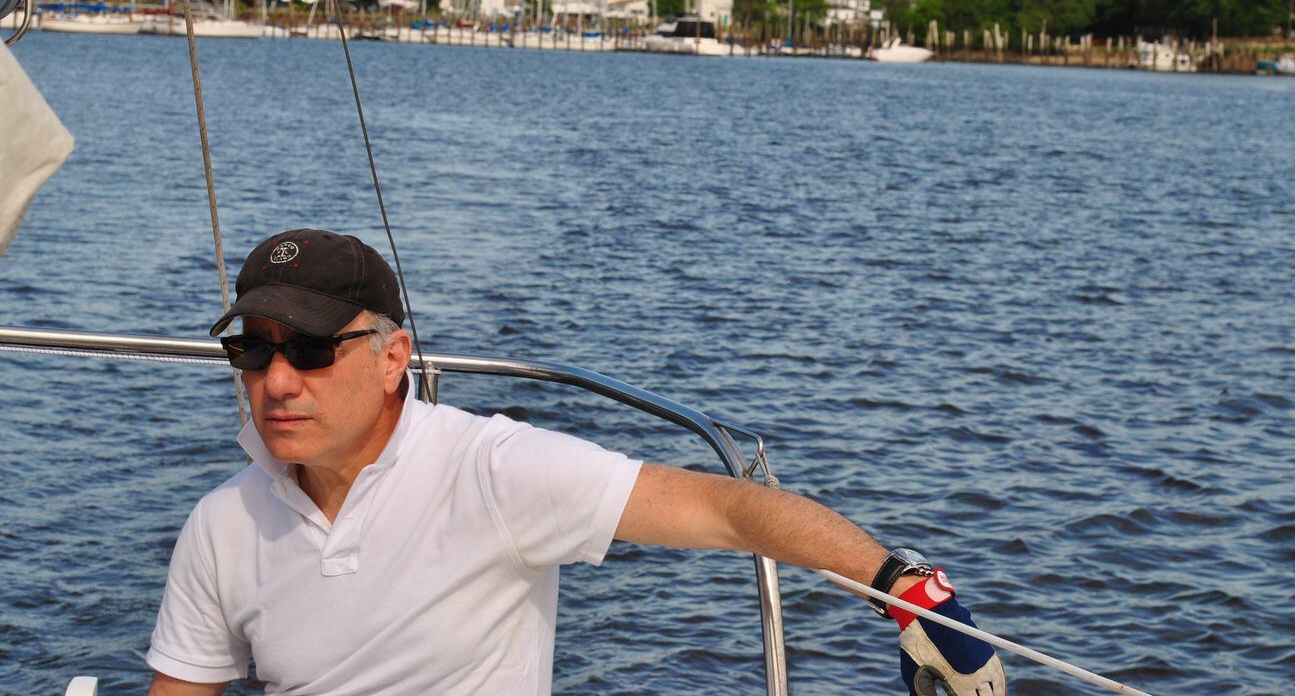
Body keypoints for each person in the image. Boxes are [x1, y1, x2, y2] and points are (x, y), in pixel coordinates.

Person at [147, 228, 1005, 695]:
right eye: (252, 352)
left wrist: (904, 588)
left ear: (392, 358)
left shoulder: (492, 471)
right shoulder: (224, 523)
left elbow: (727, 508)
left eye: (308, 350)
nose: (277, 382)